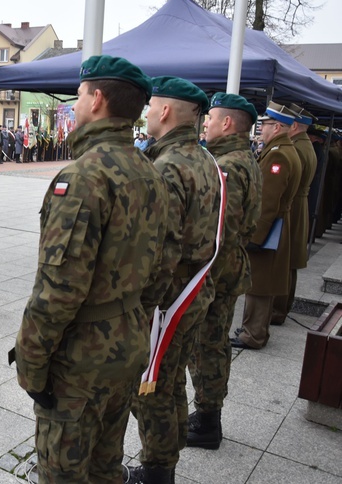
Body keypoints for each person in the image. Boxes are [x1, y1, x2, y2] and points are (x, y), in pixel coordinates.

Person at [12, 55, 169, 483]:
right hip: (128, 343)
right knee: (106, 465)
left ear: (97, 98)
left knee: (65, 472)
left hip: (82, 361)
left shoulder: (84, 177)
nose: (76, 104)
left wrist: (31, 363)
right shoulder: (150, 171)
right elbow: (161, 268)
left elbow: (58, 290)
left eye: (79, 95)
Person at [129, 76, 221, 484]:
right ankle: (168, 456)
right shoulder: (204, 159)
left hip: (169, 301)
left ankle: (157, 472)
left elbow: (157, 251)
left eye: (151, 106)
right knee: (170, 382)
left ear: (165, 111)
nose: (147, 112)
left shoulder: (167, 167)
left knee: (150, 392)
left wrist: (140, 306)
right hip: (194, 291)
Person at [186, 93, 262, 450]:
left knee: (207, 346)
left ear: (227, 123)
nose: (206, 123)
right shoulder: (242, 158)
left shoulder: (227, 166)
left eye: (211, 117)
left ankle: (207, 420)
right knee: (210, 345)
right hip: (229, 269)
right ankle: (206, 414)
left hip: (216, 273)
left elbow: (220, 231)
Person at [232, 102, 302, 350]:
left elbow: (268, 201)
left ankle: (253, 333)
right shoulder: (280, 150)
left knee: (260, 284)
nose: (261, 129)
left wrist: (255, 236)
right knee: (263, 281)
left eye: (266, 125)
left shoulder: (278, 155)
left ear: (278, 127)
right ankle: (253, 329)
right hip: (277, 225)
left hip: (269, 228)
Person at [270, 104, 317, 325]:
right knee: (290, 262)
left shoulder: (294, 148)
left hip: (293, 206)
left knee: (283, 261)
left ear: (294, 125)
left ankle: (278, 309)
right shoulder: (304, 145)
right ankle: (282, 306)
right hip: (299, 204)